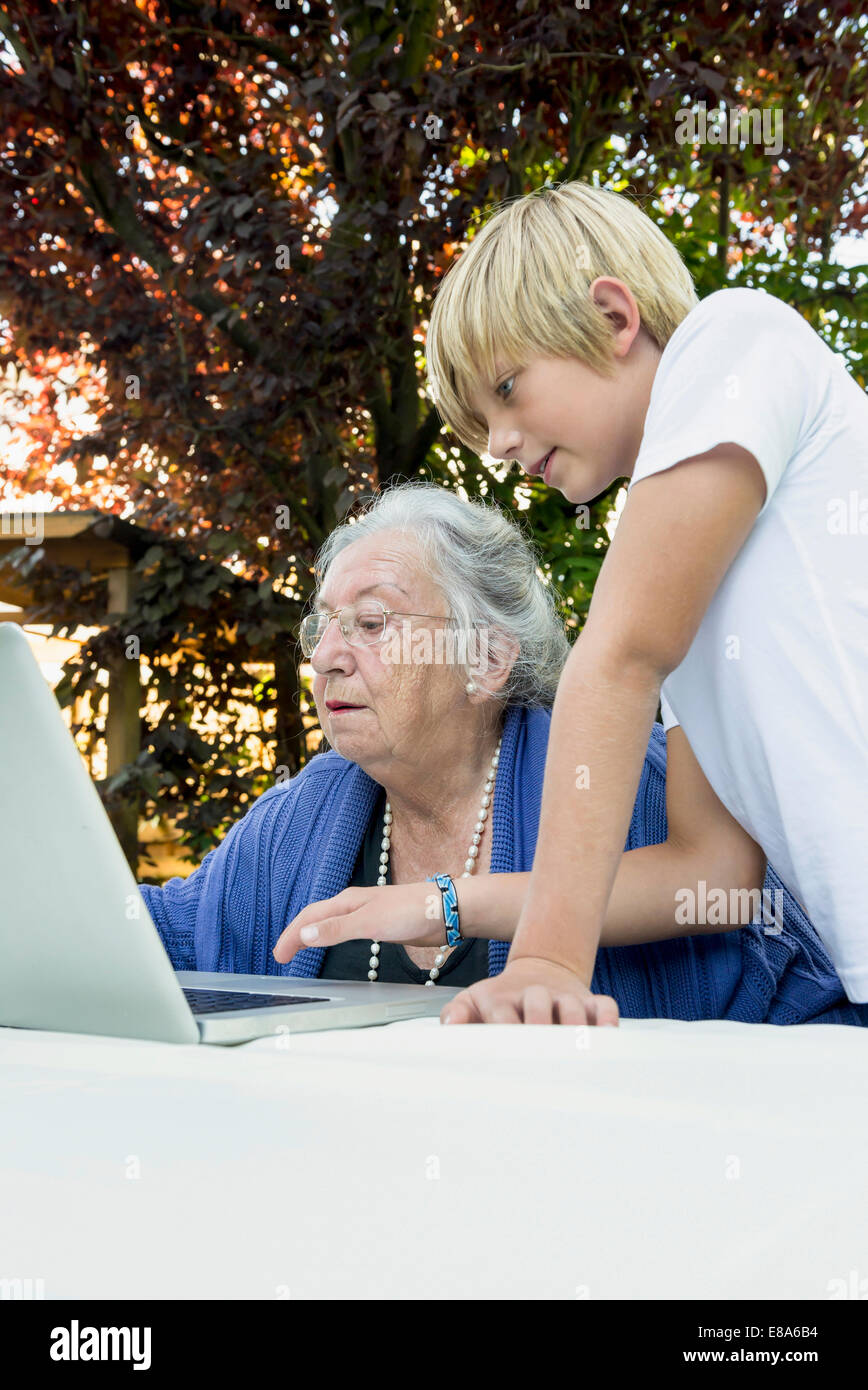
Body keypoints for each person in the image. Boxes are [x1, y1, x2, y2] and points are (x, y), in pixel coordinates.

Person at [398, 177, 868, 1025]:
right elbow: (712, 874)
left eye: (505, 389)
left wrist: (546, 962)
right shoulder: (692, 578)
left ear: (615, 320)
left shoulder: (734, 338)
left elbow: (616, 659)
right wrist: (447, 902)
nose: (500, 444)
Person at [138, 481, 865, 1026]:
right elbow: (151, 941)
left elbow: (803, 988)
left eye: (371, 622)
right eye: (322, 626)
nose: (327, 655)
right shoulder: (303, 817)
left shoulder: (637, 793)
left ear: (484, 660)